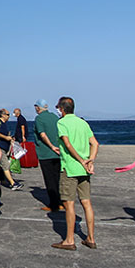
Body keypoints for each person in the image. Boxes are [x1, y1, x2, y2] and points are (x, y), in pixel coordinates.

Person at [51, 97, 99, 251]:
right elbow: (95, 143)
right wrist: (89, 160)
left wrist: (80, 160)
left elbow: (67, 143)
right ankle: (91, 238)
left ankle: (69, 240)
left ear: (62, 109)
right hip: (84, 170)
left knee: (69, 204)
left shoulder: (62, 122)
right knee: (87, 202)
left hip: (70, 168)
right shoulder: (83, 122)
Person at [33, 100, 63, 212]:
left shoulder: (39, 118)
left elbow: (42, 134)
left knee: (50, 180)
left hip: (46, 153)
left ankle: (54, 204)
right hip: (58, 153)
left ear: (38, 108)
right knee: (57, 178)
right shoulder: (54, 117)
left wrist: (51, 146)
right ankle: (61, 202)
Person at [0, 109, 23, 190]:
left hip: (5, 148)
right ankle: (13, 183)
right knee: (6, 165)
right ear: (3, 115)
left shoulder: (4, 124)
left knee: (2, 165)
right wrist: (5, 137)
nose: (9, 116)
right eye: (8, 114)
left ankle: (2, 180)